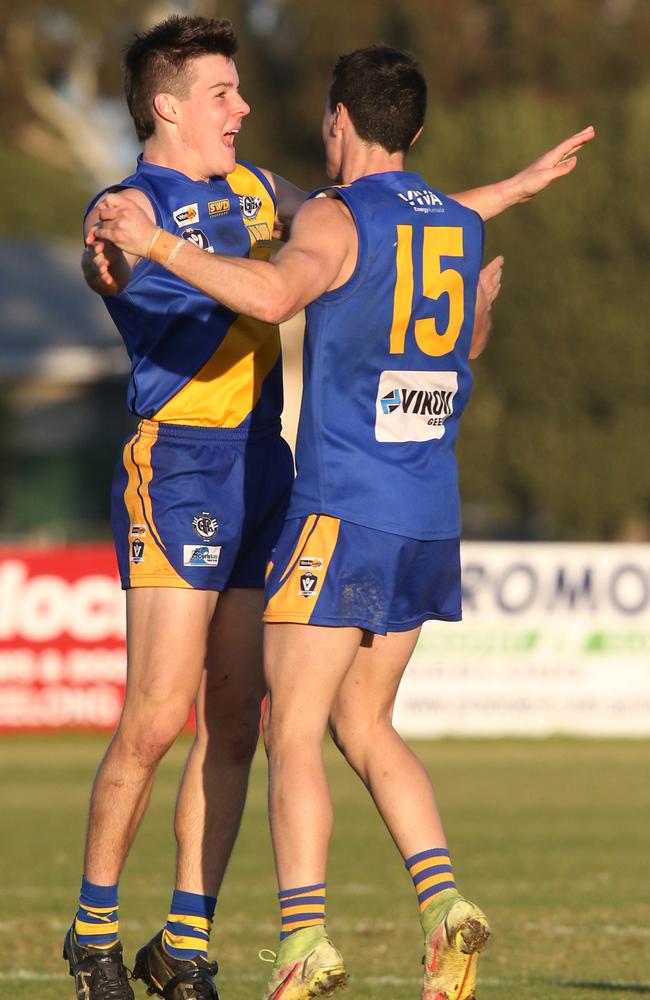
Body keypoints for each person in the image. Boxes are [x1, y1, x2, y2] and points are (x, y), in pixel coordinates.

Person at [88, 30, 595, 1000]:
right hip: (426, 520)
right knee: (367, 727)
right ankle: (444, 907)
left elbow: (278, 288)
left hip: (337, 512)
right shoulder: (452, 224)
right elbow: (467, 334)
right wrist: (513, 196)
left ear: (340, 122)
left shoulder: (327, 217)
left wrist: (155, 244)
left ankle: (301, 941)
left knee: (293, 728)